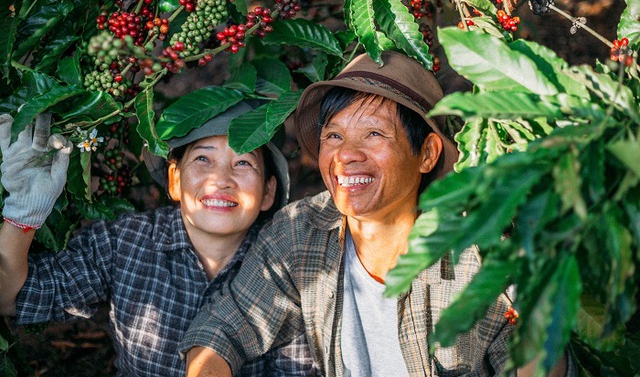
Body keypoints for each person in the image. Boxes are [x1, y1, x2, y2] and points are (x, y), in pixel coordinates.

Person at [178, 51, 572, 377]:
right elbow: (222, 330)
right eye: (334, 136)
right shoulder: (300, 233)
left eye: (374, 134)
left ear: (428, 154)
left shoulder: (484, 252)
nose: (346, 154)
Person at [0, 101, 315, 376]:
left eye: (243, 163)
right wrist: (22, 216)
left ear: (268, 192)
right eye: (203, 159)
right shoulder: (125, 242)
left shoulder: (287, 268)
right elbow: (10, 298)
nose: (221, 179)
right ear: (174, 180)